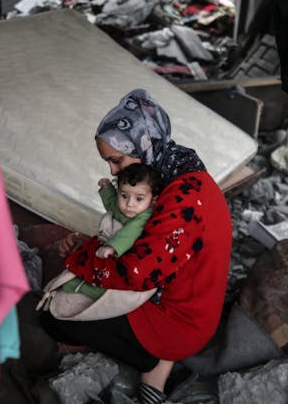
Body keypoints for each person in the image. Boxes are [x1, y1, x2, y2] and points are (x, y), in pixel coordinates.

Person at [40, 89, 233, 404]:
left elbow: (136, 273)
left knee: (53, 316)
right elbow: (142, 240)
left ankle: (156, 363)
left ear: (143, 144)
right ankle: (155, 366)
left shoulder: (185, 194)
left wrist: (80, 258)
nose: (113, 172)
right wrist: (92, 248)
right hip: (176, 302)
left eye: (116, 160)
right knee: (74, 292)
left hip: (178, 321)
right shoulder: (176, 173)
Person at [60, 163, 162, 300]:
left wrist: (112, 247)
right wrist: (107, 189)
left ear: (153, 201)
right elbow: (112, 204)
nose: (129, 204)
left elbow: (131, 232)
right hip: (103, 244)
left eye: (139, 198)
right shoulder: (124, 208)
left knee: (106, 278)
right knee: (83, 261)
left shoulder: (144, 216)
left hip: (119, 253)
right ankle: (75, 279)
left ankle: (89, 291)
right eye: (124, 195)